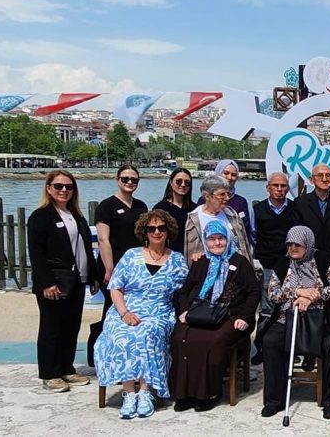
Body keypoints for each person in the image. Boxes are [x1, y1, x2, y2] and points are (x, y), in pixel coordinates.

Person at [94, 209, 189, 419]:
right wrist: (124, 313)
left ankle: (146, 392)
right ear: (144, 231)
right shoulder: (130, 255)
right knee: (122, 333)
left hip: (159, 311)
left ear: (168, 231)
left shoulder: (177, 260)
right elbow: (115, 288)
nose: (156, 232)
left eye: (161, 228)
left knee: (148, 332)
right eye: (151, 228)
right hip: (126, 308)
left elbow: (187, 289)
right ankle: (129, 392)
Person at [170, 220, 261, 412]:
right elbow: (184, 291)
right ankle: (184, 392)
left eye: (221, 238)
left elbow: (253, 292)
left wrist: (245, 317)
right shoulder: (200, 262)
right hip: (198, 313)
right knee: (180, 338)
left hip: (231, 314)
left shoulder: (239, 262)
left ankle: (209, 392)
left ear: (228, 239)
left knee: (212, 341)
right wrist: (184, 311)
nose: (217, 243)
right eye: (212, 239)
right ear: (205, 241)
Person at [260, 226, 330, 417]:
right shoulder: (282, 263)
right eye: (289, 244)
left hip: (319, 318)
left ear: (307, 243)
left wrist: (313, 296)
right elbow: (273, 293)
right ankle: (275, 399)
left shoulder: (323, 260)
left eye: (297, 244)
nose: (292, 248)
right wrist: (297, 292)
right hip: (287, 318)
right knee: (270, 341)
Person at [28, 169, 99, 393]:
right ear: (49, 189)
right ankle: (50, 373)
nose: (64, 190)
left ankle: (66, 368)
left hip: (76, 279)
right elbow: (36, 254)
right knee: (51, 327)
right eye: (59, 186)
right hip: (55, 280)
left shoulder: (76, 215)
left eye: (68, 186)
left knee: (71, 326)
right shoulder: (40, 217)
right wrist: (46, 283)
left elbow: (86, 249)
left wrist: (94, 275)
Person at [251, 171, 301, 364]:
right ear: (268, 187)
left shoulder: (295, 209)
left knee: (289, 308)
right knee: (267, 309)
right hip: (267, 265)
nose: (279, 190)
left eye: (283, 186)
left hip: (291, 266)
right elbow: (254, 235)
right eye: (276, 186)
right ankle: (262, 348)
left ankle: (291, 348)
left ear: (288, 189)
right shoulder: (259, 209)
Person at [96, 165, 148, 313]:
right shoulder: (106, 206)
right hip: (113, 263)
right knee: (113, 306)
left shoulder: (141, 206)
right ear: (117, 180)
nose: (130, 182)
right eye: (125, 179)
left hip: (134, 265)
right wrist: (109, 269)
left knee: (132, 304)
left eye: (134, 180)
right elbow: (103, 240)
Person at [184, 175, 251, 262]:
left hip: (235, 270)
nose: (227, 198)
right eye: (222, 194)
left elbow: (245, 246)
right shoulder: (193, 220)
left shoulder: (232, 215)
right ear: (207, 196)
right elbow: (189, 253)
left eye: (228, 194)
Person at [196, 159, 254, 246]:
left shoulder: (241, 202)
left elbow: (245, 230)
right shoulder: (204, 200)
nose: (229, 177)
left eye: (233, 175)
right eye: (226, 173)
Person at [153, 167, 196, 254]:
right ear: (171, 183)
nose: (183, 185)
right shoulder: (160, 208)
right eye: (179, 181)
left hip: (191, 255)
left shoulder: (195, 209)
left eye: (187, 182)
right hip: (167, 255)